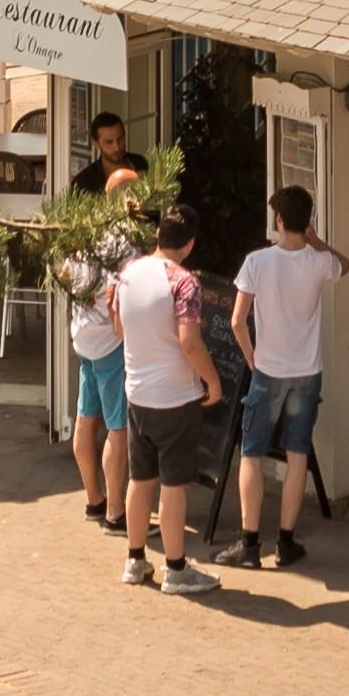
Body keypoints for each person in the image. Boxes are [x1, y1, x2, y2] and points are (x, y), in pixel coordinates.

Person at [227, 186, 346, 570]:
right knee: (298, 454)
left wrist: (252, 358)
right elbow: (346, 264)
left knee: (252, 452)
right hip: (307, 371)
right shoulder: (318, 262)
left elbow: (237, 321)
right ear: (307, 221)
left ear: (279, 219)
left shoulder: (257, 262)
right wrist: (317, 241)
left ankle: (249, 543)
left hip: (269, 369)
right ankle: (286, 541)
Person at [110, 211, 228, 595]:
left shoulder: (127, 273)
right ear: (190, 243)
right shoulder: (184, 282)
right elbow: (189, 342)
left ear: (158, 234)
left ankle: (135, 559)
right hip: (175, 397)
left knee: (140, 478)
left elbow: (118, 326)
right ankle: (176, 569)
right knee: (175, 485)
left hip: (137, 392)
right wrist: (212, 380)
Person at [52, 221, 132, 531]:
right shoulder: (124, 244)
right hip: (110, 344)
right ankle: (115, 511)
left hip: (84, 340)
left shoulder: (84, 237)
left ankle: (93, 499)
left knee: (85, 419)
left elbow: (64, 276)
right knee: (118, 426)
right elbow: (119, 295)